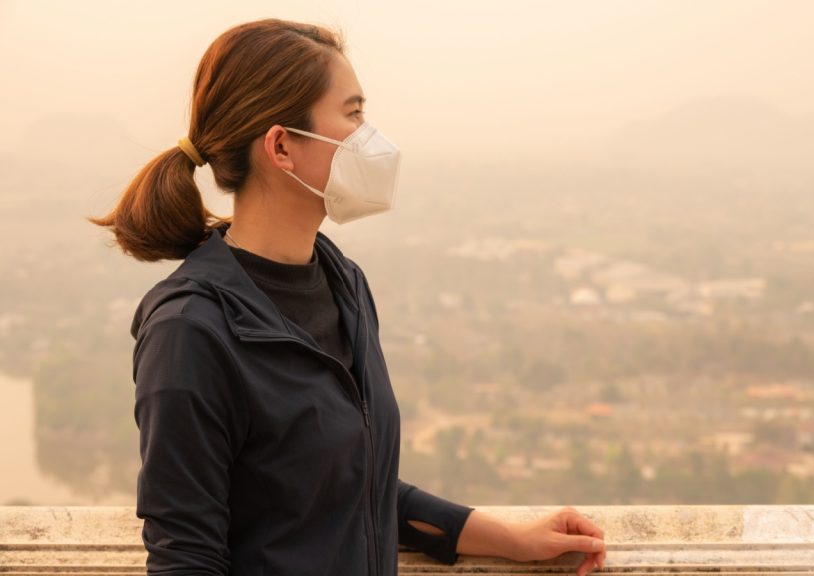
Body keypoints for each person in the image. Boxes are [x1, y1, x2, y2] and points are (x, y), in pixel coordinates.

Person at [91, 18, 606, 576]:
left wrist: (512, 538)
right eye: (353, 114)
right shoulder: (192, 329)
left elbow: (357, 487)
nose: (370, 137)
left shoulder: (342, 281)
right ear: (282, 146)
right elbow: (186, 558)